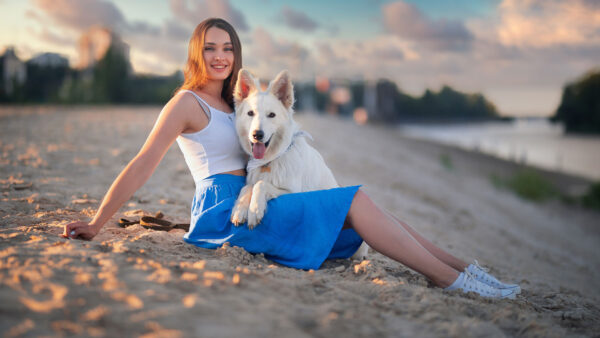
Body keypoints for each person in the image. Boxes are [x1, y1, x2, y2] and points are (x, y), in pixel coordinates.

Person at [63, 18, 520, 299]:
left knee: (370, 210)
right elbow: (145, 161)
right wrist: (99, 221)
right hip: (228, 212)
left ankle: (463, 268)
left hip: (262, 200)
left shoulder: (238, 101)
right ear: (196, 52)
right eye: (210, 47)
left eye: (227, 48)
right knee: (357, 200)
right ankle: (447, 279)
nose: (219, 56)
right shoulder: (186, 103)